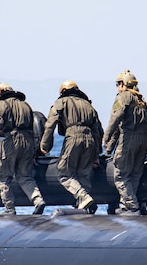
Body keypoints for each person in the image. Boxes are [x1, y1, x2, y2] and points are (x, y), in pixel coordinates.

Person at [0, 83, 46, 216]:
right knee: (25, 177)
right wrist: (34, 150)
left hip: (11, 141)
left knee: (4, 178)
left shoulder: (1, 105)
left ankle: (9, 209)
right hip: (28, 143)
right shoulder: (26, 105)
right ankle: (38, 200)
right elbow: (33, 128)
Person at [39, 80, 104, 212]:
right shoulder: (88, 105)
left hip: (73, 136)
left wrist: (45, 145)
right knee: (83, 174)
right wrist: (96, 154)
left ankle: (83, 197)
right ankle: (84, 207)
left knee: (64, 173)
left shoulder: (61, 102)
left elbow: (50, 124)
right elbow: (98, 131)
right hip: (90, 140)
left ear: (63, 91)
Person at [102, 70, 147, 215]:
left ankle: (132, 207)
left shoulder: (123, 97)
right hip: (144, 141)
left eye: (118, 84)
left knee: (120, 176)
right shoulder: (142, 101)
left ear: (123, 84)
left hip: (129, 139)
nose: (118, 87)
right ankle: (127, 205)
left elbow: (115, 118)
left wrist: (106, 137)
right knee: (135, 174)